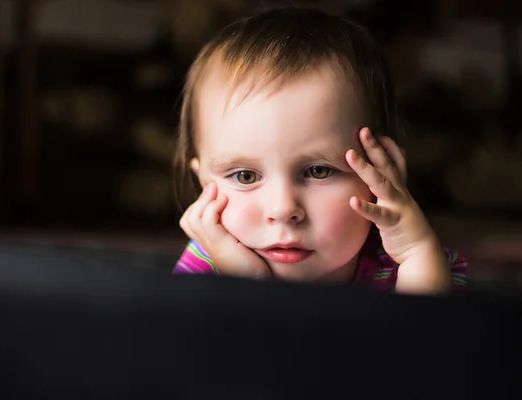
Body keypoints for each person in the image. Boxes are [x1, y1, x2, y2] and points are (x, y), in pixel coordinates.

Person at [171, 6, 467, 294]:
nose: (284, 209)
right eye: (246, 176)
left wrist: (416, 251)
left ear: (381, 167)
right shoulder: (209, 267)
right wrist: (246, 285)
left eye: (318, 170)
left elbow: (430, 340)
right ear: (203, 182)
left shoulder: (409, 265)